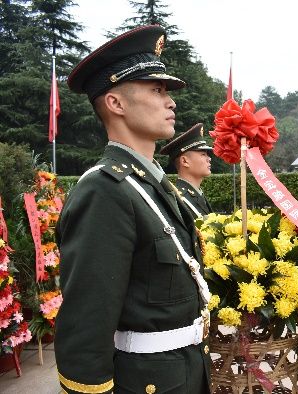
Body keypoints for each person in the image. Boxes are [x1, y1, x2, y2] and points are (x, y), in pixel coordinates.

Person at [55, 25, 211, 393]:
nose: (171, 102)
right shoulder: (105, 190)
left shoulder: (151, 186)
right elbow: (85, 327)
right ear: (116, 103)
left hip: (186, 372)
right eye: (156, 90)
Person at [160, 123, 214, 218]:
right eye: (203, 154)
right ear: (184, 161)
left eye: (207, 154)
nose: (209, 159)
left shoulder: (196, 193)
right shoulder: (179, 199)